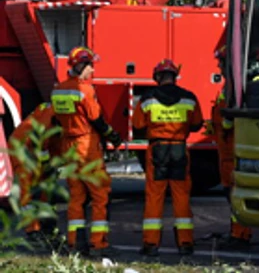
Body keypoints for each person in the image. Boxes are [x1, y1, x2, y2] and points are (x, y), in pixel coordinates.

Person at [50, 46, 122, 256]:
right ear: (81, 66)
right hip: (86, 145)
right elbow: (96, 119)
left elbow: (56, 119)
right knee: (100, 195)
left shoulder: (59, 90)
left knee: (77, 195)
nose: (92, 70)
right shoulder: (85, 90)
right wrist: (112, 135)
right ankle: (98, 242)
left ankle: (74, 242)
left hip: (68, 146)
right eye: (90, 66)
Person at [133, 59, 203, 256]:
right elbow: (197, 124)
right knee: (181, 196)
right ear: (174, 76)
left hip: (157, 149)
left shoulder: (147, 99)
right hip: (179, 149)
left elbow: (137, 125)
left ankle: (151, 244)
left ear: (157, 77)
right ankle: (186, 243)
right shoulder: (189, 98)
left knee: (155, 196)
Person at [210, 45, 252, 249]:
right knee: (233, 194)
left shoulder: (233, 88)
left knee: (235, 194)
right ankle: (238, 233)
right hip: (228, 151)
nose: (218, 66)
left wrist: (223, 124)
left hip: (231, 151)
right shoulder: (232, 85)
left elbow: (228, 118)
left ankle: (240, 235)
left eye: (221, 62)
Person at [9, 101, 62, 245]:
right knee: (27, 192)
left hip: (34, 148)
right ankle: (32, 231)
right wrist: (46, 164)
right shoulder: (51, 114)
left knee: (47, 188)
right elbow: (39, 138)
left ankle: (47, 226)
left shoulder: (57, 113)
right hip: (22, 148)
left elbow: (55, 145)